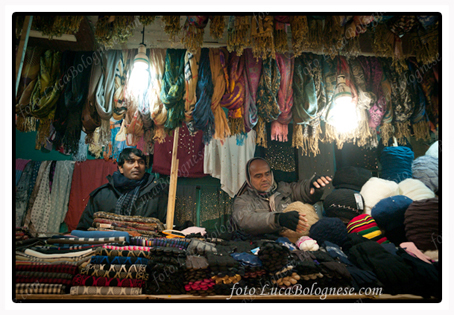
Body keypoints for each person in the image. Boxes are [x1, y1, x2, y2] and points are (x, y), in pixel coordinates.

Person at [232, 157, 331, 235]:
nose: (264, 179)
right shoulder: (243, 200)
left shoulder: (284, 189)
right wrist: (278, 219)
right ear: (249, 179)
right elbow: (246, 220)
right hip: (263, 248)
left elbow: (302, 191)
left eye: (267, 174)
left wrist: (312, 186)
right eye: (258, 176)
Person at [76, 148, 168, 230]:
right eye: (131, 161)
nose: (137, 165)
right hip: (104, 247)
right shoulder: (101, 195)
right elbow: (84, 228)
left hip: (144, 247)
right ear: (121, 168)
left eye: (141, 162)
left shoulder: (156, 193)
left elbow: (165, 229)